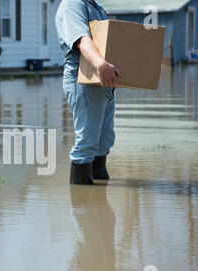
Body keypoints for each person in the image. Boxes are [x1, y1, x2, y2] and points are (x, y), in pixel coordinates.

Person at [55, 0, 120, 185]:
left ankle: (99, 201)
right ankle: (83, 206)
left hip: (103, 80)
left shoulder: (96, 6)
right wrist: (100, 64)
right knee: (87, 143)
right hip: (83, 77)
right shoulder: (72, 4)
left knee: (103, 142)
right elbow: (82, 40)